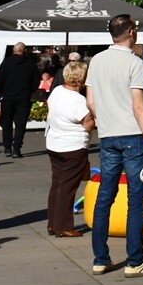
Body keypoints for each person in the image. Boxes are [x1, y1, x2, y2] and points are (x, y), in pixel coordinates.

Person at [86, 14, 143, 276]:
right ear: (130, 32)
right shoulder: (134, 63)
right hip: (132, 135)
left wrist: (104, 120)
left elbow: (91, 102)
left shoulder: (96, 60)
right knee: (135, 199)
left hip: (108, 135)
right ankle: (134, 261)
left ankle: (100, 258)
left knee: (105, 197)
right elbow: (139, 107)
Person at [46, 60, 94, 237]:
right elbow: (88, 124)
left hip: (54, 143)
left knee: (57, 184)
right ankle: (63, 226)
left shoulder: (57, 91)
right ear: (81, 80)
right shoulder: (79, 100)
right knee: (68, 187)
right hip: (73, 147)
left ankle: (52, 223)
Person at [0, 41, 37, 157]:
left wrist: (3, 91)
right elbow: (35, 82)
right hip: (23, 97)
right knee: (20, 124)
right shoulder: (31, 64)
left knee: (6, 122)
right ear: (25, 51)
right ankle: (17, 148)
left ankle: (7, 147)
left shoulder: (7, 62)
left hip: (8, 96)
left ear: (14, 50)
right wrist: (28, 91)